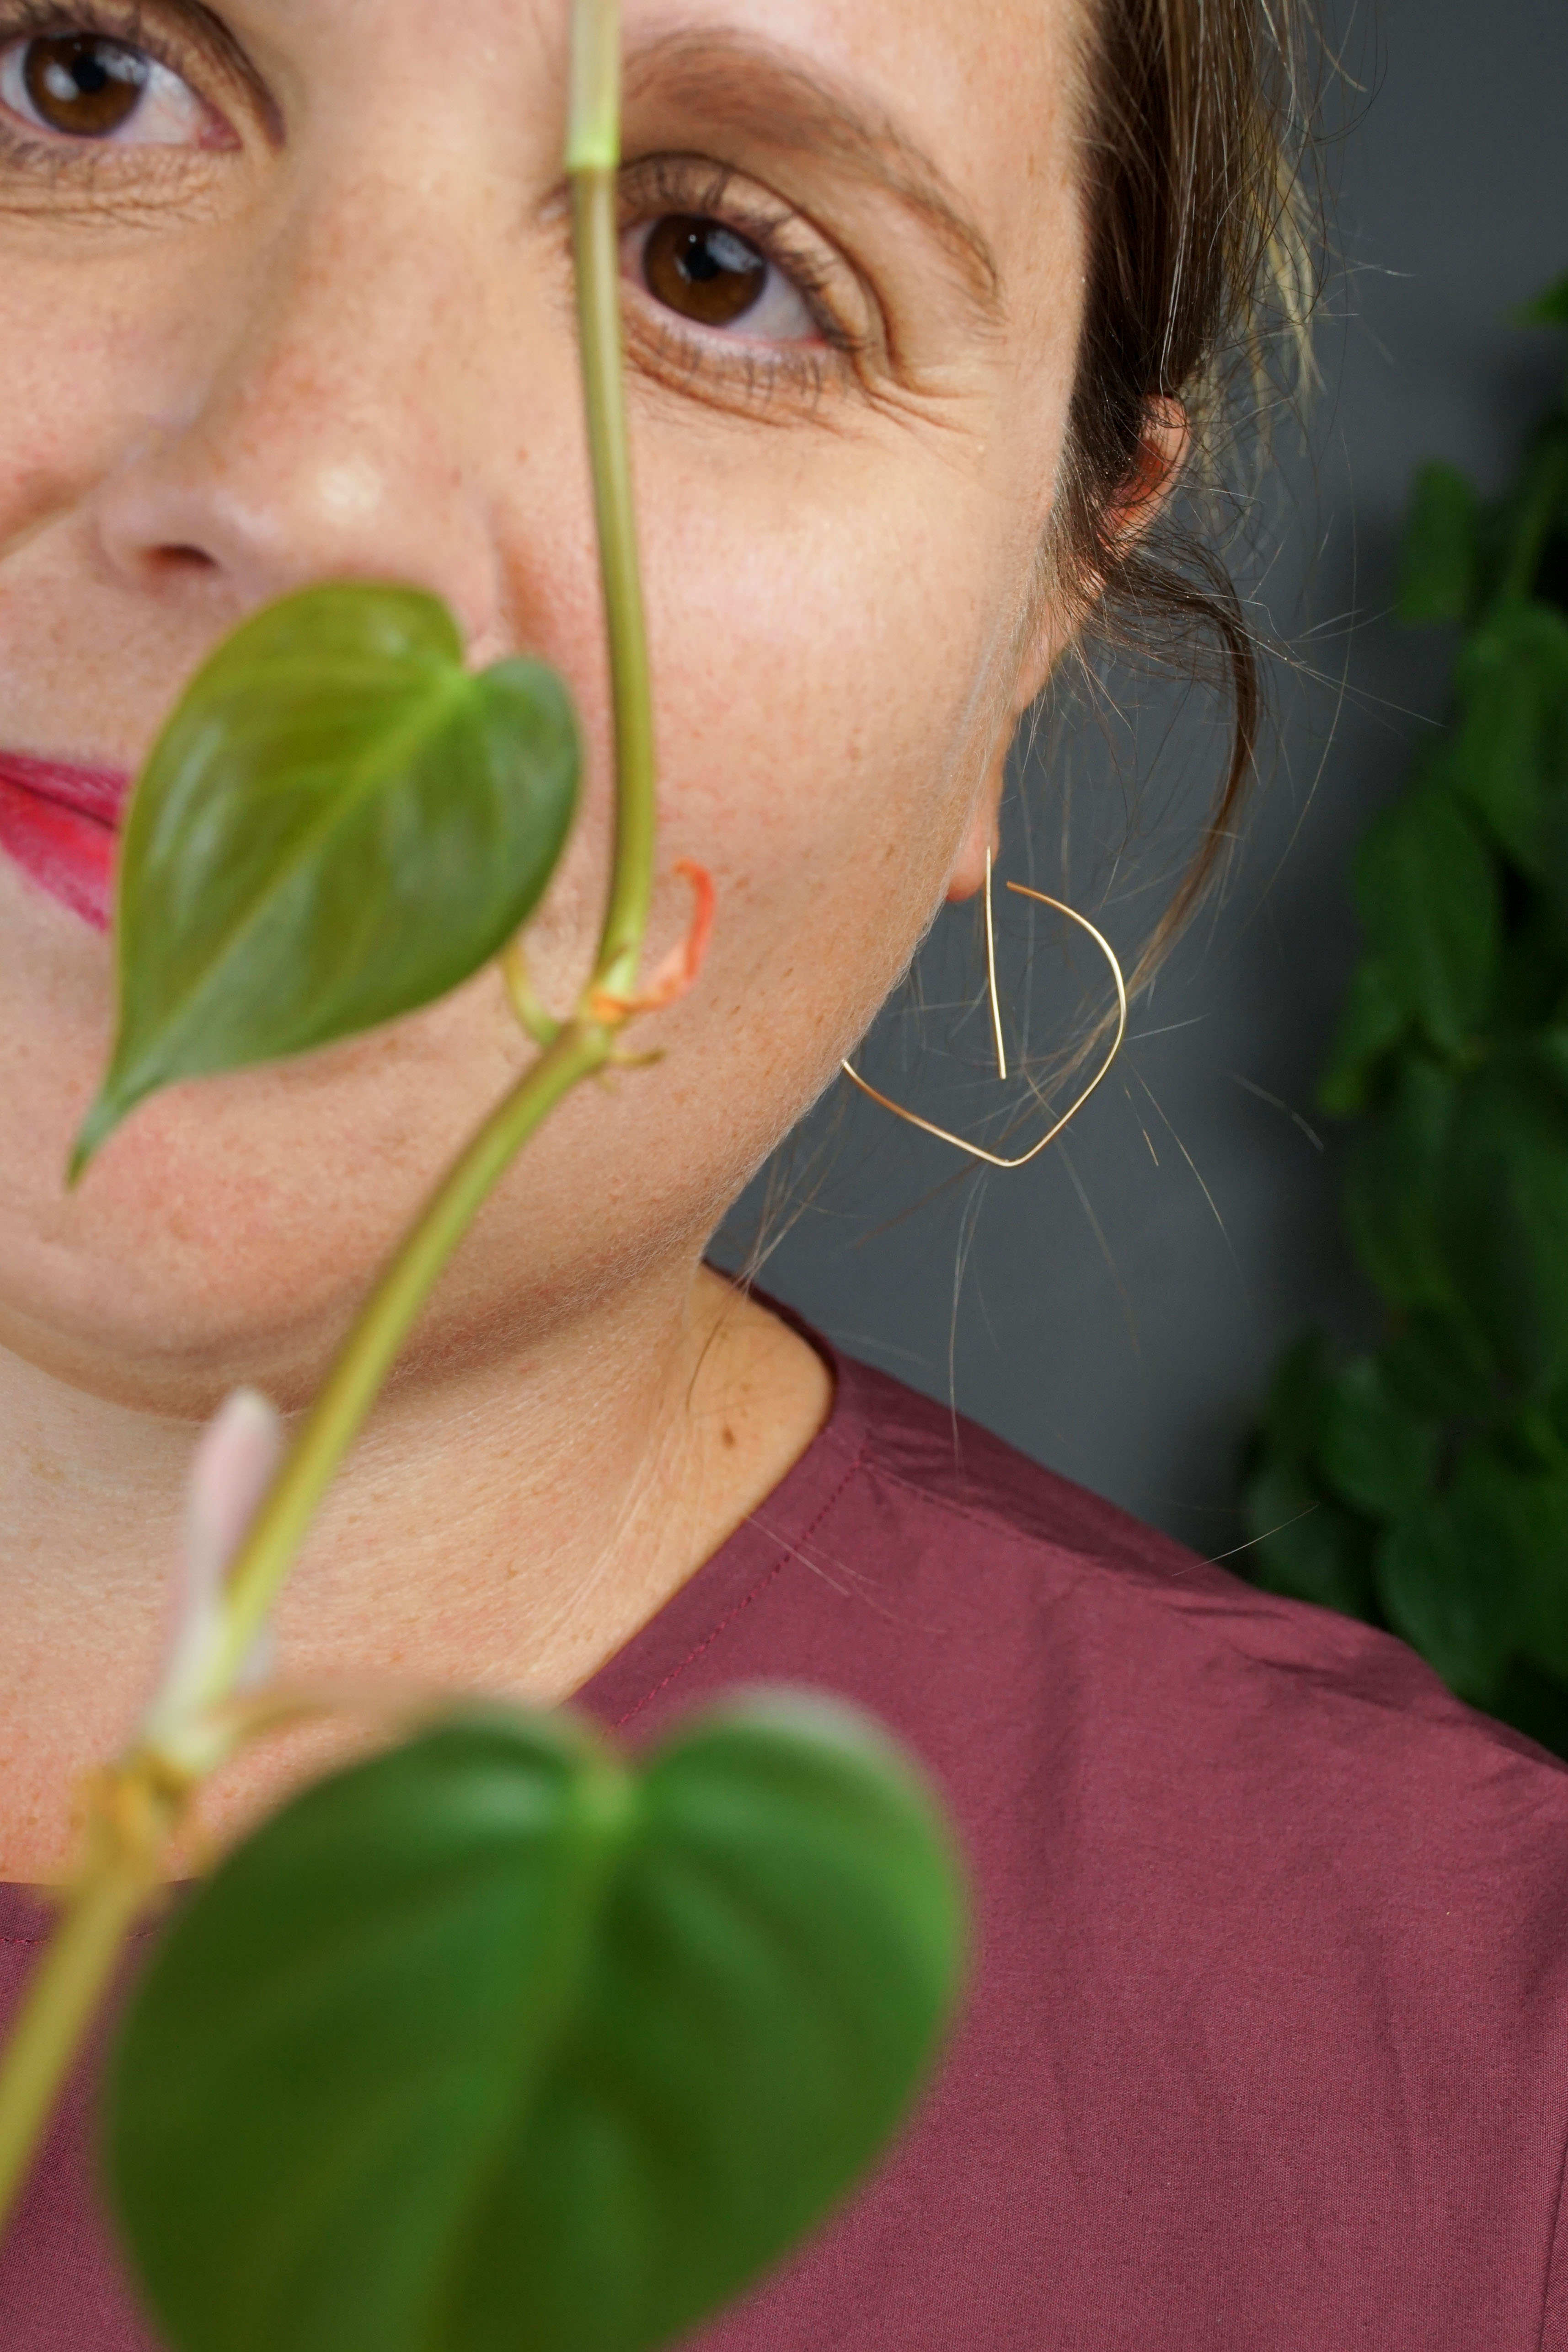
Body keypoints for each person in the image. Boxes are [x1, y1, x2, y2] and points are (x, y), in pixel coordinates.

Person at [2, 1, 1566, 2346]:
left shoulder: (1478, 2111)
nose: (301, 476)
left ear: (1037, 630)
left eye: (721, 269)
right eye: (73, 78)